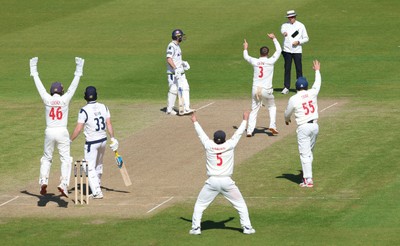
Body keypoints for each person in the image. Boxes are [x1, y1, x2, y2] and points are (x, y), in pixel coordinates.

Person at [189, 111, 256, 235]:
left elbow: (201, 135)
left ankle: (196, 228)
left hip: (212, 182)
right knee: (240, 205)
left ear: (214, 139)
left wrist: (195, 121)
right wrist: (245, 120)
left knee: (200, 205)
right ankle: (247, 228)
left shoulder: (208, 145)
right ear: (224, 139)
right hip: (227, 182)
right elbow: (238, 133)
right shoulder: (230, 144)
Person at [29, 57, 85, 197]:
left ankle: (43, 180)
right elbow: (73, 87)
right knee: (65, 159)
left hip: (49, 131)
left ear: (52, 91)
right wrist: (78, 69)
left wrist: (34, 70)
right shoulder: (65, 99)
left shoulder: (47, 99)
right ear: (61, 91)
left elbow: (39, 86)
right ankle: (64, 183)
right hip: (62, 131)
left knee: (47, 157)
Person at [70, 86, 119, 199]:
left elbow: (78, 128)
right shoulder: (104, 107)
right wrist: (113, 138)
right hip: (103, 141)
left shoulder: (84, 110)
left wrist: (70, 140)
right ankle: (97, 186)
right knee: (98, 165)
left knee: (88, 167)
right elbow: (109, 124)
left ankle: (97, 192)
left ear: (85, 97)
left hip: (91, 143)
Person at [284, 60, 321, 188]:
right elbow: (317, 84)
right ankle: (307, 175)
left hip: (303, 127)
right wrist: (317, 70)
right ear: (306, 86)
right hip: (315, 126)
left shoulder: (294, 98)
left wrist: (287, 119)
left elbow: (287, 112)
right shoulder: (312, 92)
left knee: (304, 154)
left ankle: (308, 179)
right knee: (309, 152)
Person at [243, 33, 282, 137]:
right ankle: (272, 126)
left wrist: (245, 48)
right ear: (267, 53)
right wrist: (274, 38)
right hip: (266, 90)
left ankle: (249, 131)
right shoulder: (270, 61)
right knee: (272, 107)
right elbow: (279, 50)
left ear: (260, 53)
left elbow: (246, 56)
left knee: (254, 109)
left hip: (255, 89)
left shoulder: (255, 61)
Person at [165, 29, 194, 115]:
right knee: (173, 90)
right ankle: (170, 110)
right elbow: (169, 59)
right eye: (181, 36)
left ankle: (186, 108)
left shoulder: (177, 46)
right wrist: (175, 69)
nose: (182, 37)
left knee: (185, 88)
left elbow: (175, 59)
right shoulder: (171, 46)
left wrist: (183, 63)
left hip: (180, 73)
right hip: (174, 74)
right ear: (177, 37)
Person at [280, 10, 309, 95]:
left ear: (295, 17)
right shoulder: (284, 25)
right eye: (289, 18)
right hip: (287, 50)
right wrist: (284, 33)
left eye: (292, 17)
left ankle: (300, 87)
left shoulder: (301, 25)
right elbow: (282, 30)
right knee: (287, 68)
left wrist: (298, 42)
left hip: (297, 50)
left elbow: (306, 38)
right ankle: (286, 87)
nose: (290, 19)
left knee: (299, 69)